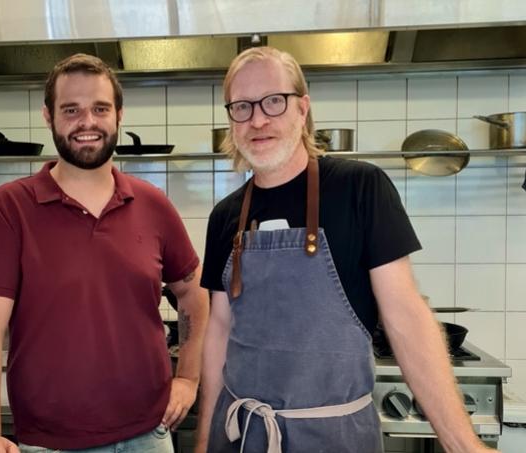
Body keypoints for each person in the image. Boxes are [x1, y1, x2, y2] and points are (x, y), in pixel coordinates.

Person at [195, 46, 497, 453]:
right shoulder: (225, 216)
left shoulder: (360, 188)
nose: (258, 119)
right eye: (242, 107)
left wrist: (462, 444)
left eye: (273, 101)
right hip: (241, 437)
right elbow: (218, 333)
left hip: (334, 438)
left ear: (303, 109)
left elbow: (405, 314)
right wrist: (202, 445)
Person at [0, 53, 209, 453]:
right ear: (48, 116)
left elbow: (194, 295)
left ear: (119, 115)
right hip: (49, 443)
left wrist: (189, 378)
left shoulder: (152, 204)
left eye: (100, 108)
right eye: (71, 110)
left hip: (149, 435)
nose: (87, 122)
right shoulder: (8, 209)